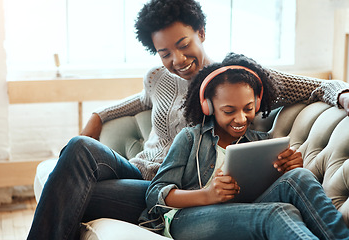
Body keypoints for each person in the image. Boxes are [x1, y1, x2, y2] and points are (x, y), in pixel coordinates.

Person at [27, 0, 349, 239]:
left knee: (67, 193)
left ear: (201, 33)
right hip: (141, 173)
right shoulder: (157, 78)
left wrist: (343, 95)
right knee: (80, 147)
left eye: (183, 45)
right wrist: (98, 116)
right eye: (164, 52)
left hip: (172, 192)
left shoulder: (231, 83)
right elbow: (136, 103)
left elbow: (317, 87)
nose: (177, 60)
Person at [144, 55, 349, 239]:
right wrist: (208, 195)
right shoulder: (190, 138)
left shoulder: (261, 142)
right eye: (229, 110)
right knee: (278, 212)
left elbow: (269, 189)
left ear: (257, 104)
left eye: (248, 108)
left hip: (246, 211)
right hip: (187, 219)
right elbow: (154, 194)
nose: (241, 118)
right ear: (209, 106)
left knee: (300, 177)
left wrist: (290, 168)